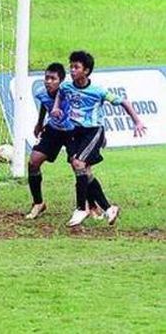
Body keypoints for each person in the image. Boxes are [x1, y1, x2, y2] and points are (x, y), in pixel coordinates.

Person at [51, 51, 146, 226]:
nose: (72, 70)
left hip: (92, 131)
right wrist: (56, 107)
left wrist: (137, 121)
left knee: (78, 164)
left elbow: (124, 102)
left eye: (76, 67)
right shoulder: (66, 87)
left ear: (86, 71)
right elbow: (60, 95)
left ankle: (81, 208)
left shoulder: (98, 91)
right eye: (71, 66)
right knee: (83, 171)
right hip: (75, 132)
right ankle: (108, 208)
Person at [26, 63, 103, 220]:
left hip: (72, 132)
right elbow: (45, 105)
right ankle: (38, 203)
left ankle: (93, 206)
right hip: (53, 131)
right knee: (33, 162)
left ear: (61, 81)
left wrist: (98, 133)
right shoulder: (42, 93)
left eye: (53, 78)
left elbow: (90, 110)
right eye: (46, 78)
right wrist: (39, 123)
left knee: (81, 169)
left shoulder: (70, 93)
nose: (48, 81)